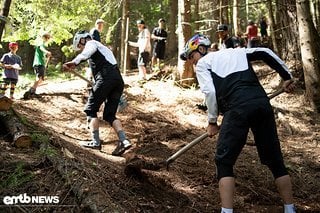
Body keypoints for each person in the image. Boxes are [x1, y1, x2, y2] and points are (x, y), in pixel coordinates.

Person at [180, 34, 296, 213]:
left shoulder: (203, 64)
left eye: (191, 56)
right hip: (261, 104)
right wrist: (286, 76)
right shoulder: (235, 52)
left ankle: (226, 212)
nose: (191, 62)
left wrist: (212, 121)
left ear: (201, 49)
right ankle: (290, 209)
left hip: (237, 110)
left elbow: (210, 92)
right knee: (275, 160)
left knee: (224, 161)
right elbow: (264, 52)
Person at [62, 31, 132, 156]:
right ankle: (124, 140)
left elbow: (86, 53)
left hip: (105, 79)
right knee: (109, 115)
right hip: (117, 80)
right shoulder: (104, 50)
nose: (80, 48)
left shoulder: (92, 43)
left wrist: (74, 62)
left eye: (79, 45)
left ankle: (95, 142)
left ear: (83, 40)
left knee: (90, 110)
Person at [24, 32, 52, 98]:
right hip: (38, 63)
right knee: (38, 78)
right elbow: (41, 48)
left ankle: (32, 90)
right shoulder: (41, 43)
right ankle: (31, 91)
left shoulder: (44, 45)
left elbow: (43, 55)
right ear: (43, 37)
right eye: (47, 37)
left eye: (48, 38)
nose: (47, 39)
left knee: (41, 79)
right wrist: (47, 52)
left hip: (41, 63)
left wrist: (47, 56)